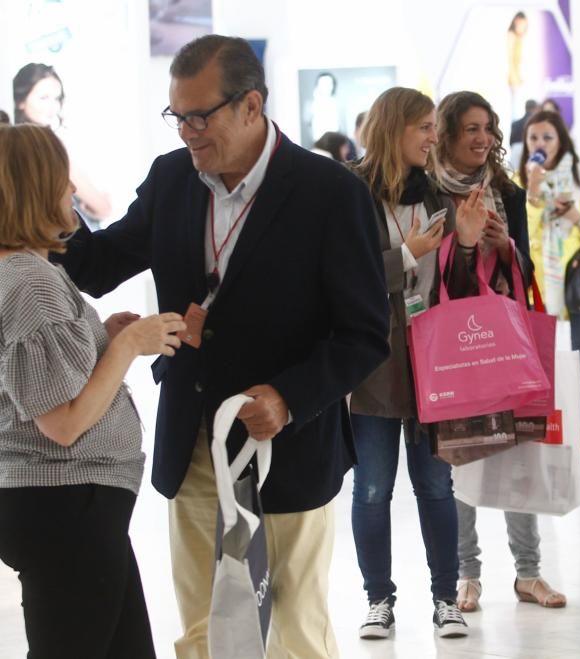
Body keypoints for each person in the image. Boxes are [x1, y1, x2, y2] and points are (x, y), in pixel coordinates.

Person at [56, 35, 391, 659]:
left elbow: (365, 333)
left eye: (199, 116)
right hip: (195, 443)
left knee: (295, 629)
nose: (186, 132)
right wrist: (49, 192)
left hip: (285, 447)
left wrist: (291, 397)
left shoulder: (329, 192)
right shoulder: (171, 180)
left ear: (251, 106)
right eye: (176, 116)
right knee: (204, 628)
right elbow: (95, 266)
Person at [0, 123, 186, 658]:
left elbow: (44, 385)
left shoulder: (30, 272)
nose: (72, 195)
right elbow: (62, 423)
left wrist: (104, 341)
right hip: (65, 505)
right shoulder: (31, 283)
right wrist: (127, 346)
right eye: (62, 182)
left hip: (74, 506)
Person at [349, 86, 488, 641]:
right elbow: (346, 278)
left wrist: (470, 243)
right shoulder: (352, 194)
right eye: (424, 127)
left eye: (434, 127)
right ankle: (378, 599)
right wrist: (407, 254)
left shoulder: (437, 196)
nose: (435, 137)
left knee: (436, 486)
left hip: (434, 358)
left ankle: (444, 597)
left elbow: (456, 289)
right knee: (373, 489)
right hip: (372, 360)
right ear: (393, 128)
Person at [430, 90, 565, 613]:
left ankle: (528, 572)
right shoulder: (428, 191)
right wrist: (463, 244)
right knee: (461, 455)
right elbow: (431, 271)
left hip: (503, 336)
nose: (484, 138)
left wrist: (504, 242)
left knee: (515, 448)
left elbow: (524, 269)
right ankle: (468, 574)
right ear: (446, 134)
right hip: (451, 341)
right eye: (470, 128)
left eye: (488, 128)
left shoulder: (506, 191)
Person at [517, 109, 580, 459]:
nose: (540, 144)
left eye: (547, 137)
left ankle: (579, 426)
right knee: (539, 359)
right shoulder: (519, 181)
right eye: (533, 139)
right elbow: (521, 235)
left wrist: (573, 214)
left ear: (561, 140)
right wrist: (531, 192)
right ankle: (542, 425)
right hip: (538, 283)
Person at [13, 62, 112, 225]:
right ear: (20, 101)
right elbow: (102, 207)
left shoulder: (10, 143)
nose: (52, 106)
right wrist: (100, 203)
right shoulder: (47, 145)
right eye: (44, 98)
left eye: (56, 98)